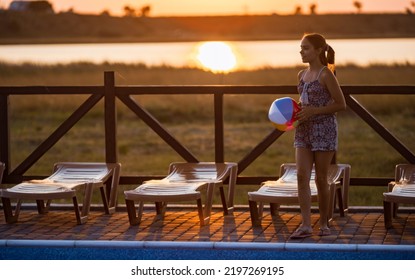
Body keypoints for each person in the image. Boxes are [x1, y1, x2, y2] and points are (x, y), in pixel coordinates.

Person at [290, 33, 346, 239]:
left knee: (321, 179)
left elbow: (341, 104)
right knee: (301, 176)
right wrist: (293, 111)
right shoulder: (300, 75)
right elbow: (303, 102)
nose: (301, 51)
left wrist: (314, 111)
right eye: (301, 47)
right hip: (303, 130)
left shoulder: (326, 74)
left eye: (305, 48)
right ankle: (305, 224)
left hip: (324, 130)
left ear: (318, 50)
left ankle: (324, 223)